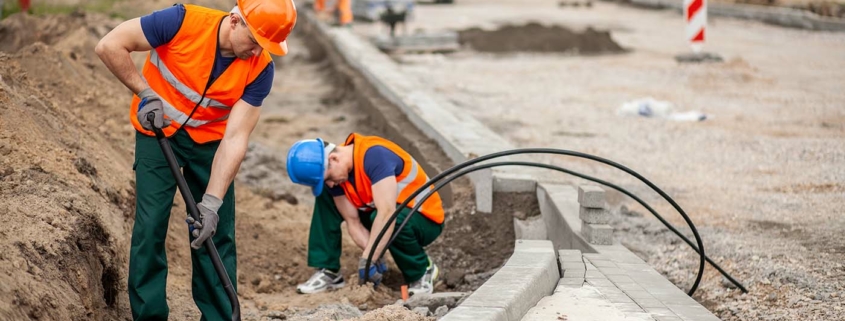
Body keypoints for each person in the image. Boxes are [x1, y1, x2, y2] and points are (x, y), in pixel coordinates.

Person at [95, 0, 296, 319]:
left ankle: (218, 315)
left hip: (210, 143)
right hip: (157, 132)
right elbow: (109, 45)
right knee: (151, 225)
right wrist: (144, 93)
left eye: (266, 46)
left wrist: (212, 203)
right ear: (234, 21)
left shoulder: (261, 69)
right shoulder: (180, 22)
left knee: (216, 230)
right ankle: (149, 314)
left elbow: (235, 138)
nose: (257, 52)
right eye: (255, 41)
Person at [286, 133, 444, 295]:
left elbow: (387, 213)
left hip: (423, 219)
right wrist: (375, 255)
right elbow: (353, 221)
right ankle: (329, 271)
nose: (331, 183)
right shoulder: (337, 172)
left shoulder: (375, 156)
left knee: (390, 219)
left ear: (333, 159)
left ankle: (422, 271)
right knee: (326, 196)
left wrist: (369, 258)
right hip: (382, 215)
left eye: (329, 178)